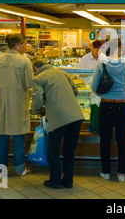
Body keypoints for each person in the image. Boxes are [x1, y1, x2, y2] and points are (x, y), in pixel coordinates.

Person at [31, 60, 85, 189]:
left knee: (53, 149)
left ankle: (54, 180)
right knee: (69, 151)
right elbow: (75, 90)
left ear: (37, 69)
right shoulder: (63, 73)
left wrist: (39, 110)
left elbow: (37, 100)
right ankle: (68, 180)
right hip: (76, 116)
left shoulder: (39, 78)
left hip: (58, 117)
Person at [91, 38, 125, 182]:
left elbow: (94, 87)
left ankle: (106, 172)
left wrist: (104, 94)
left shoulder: (101, 65)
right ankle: (121, 173)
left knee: (105, 140)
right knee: (122, 140)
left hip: (106, 105)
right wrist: (121, 90)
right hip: (123, 105)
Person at [0, 33, 34, 176]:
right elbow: (29, 83)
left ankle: (1, 169)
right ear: (19, 44)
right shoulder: (24, 61)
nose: (25, 46)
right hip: (18, 101)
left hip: (1, 101)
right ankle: (20, 169)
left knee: (1, 135)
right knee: (18, 135)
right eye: (24, 44)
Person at [79, 40, 104, 133]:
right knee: (89, 108)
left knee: (99, 110)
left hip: (101, 91)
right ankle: (91, 125)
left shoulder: (105, 59)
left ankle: (97, 125)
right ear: (91, 48)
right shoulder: (85, 58)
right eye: (96, 50)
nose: (98, 52)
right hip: (88, 89)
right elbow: (79, 74)